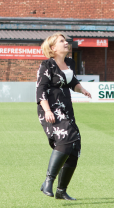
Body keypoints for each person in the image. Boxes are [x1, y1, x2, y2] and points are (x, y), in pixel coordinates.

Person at [36, 32, 91, 201]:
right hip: (51, 109)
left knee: (75, 145)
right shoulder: (47, 65)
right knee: (67, 138)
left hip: (66, 109)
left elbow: (72, 81)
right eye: (62, 41)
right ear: (53, 48)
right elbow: (40, 90)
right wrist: (47, 111)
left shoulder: (69, 63)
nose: (66, 43)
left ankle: (61, 190)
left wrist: (81, 89)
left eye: (66, 41)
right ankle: (48, 181)